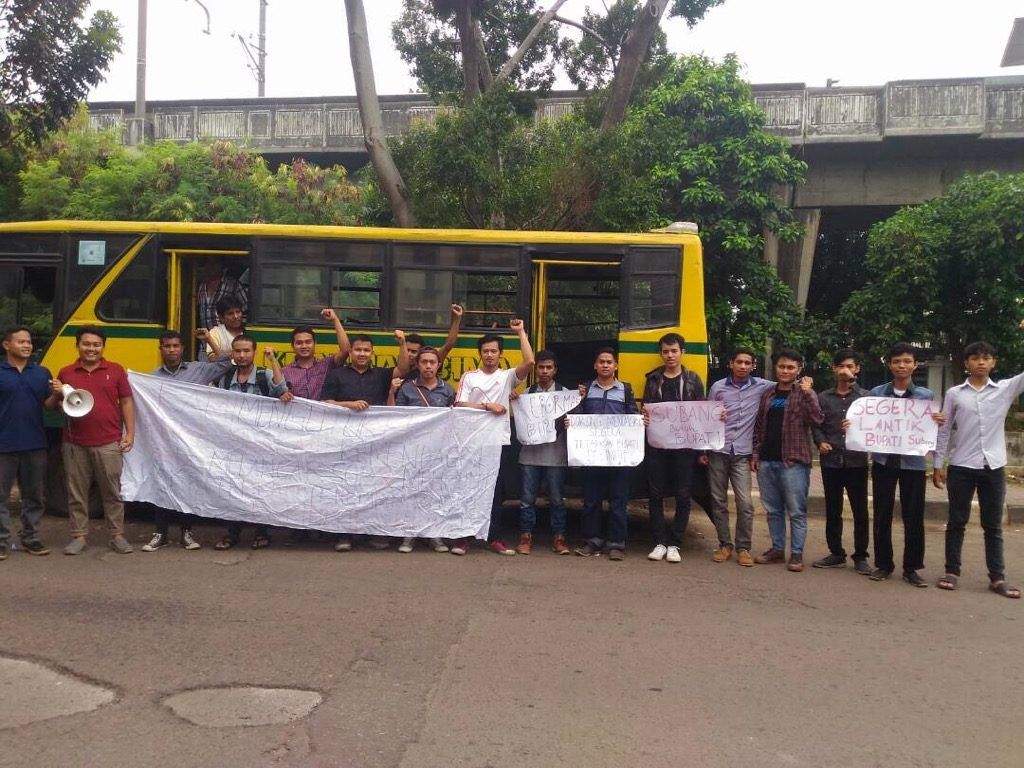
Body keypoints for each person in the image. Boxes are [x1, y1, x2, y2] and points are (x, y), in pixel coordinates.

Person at [933, 338, 1024, 598]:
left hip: (993, 466)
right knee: (957, 521)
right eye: (975, 358)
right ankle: (952, 571)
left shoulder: (1005, 389)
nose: (981, 362)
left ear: (993, 363)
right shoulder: (954, 394)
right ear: (966, 363)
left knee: (992, 525)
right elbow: (944, 429)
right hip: (961, 465)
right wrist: (938, 464)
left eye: (986, 358)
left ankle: (997, 578)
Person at [140, 328, 234, 552]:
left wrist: (209, 339)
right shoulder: (152, 379)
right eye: (167, 346)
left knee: (188, 485)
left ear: (182, 348)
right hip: (163, 440)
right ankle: (160, 533)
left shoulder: (198, 370)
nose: (171, 350)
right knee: (162, 485)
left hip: (192, 439)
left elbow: (225, 362)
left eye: (175, 346)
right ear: (160, 349)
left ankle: (186, 532)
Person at [321, 330, 411, 551]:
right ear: (350, 351)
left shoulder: (381, 375)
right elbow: (325, 403)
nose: (362, 354)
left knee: (375, 485)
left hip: (376, 441)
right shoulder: (336, 375)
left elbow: (404, 369)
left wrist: (402, 343)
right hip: (344, 438)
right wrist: (348, 405)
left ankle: (375, 532)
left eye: (366, 350)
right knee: (345, 486)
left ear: (372, 353)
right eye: (358, 349)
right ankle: (344, 535)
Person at [452, 319, 535, 556]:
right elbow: (459, 404)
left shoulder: (507, 376)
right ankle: (463, 538)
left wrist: (521, 331)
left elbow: (529, 361)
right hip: (471, 441)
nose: (489, 355)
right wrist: (488, 406)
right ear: (480, 354)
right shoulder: (470, 377)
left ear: (500, 354)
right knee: (469, 489)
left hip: (498, 441)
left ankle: (493, 538)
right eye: (485, 351)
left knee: (496, 491)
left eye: (494, 351)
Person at [54, 326, 135, 555]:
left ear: (103, 346)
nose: (91, 348)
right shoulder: (66, 373)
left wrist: (129, 434)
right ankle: (78, 536)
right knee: (76, 492)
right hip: (74, 442)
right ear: (77, 345)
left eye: (96, 344)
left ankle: (117, 535)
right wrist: (58, 395)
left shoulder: (116, 370)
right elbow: (57, 405)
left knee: (112, 491)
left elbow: (127, 402)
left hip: (109, 442)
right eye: (86, 344)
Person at [866, 342, 938, 588]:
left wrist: (936, 421)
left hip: (914, 465)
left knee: (914, 516)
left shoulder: (925, 396)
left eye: (907, 361)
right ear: (889, 364)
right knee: (882, 513)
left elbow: (930, 427)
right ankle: (884, 564)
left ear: (914, 365)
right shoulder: (877, 394)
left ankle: (912, 568)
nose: (902, 365)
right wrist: (853, 426)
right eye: (897, 361)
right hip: (883, 462)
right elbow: (868, 422)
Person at [214, 336, 291, 550]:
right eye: (237, 351)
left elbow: (282, 389)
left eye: (246, 351)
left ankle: (261, 531)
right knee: (231, 487)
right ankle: (232, 532)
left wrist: (273, 359)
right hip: (233, 444)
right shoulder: (226, 377)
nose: (242, 355)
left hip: (260, 445)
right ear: (233, 353)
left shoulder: (263, 375)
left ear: (254, 352)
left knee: (259, 488)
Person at [751, 348, 823, 573]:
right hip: (767, 460)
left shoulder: (804, 393)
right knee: (772, 509)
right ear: (776, 368)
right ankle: (777, 549)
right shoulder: (768, 394)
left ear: (799, 370)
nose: (785, 370)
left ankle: (797, 554)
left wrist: (809, 392)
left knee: (796, 511)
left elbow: (817, 419)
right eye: (782, 366)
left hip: (793, 461)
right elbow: (759, 426)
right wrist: (755, 455)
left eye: (791, 367)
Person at [572, 348, 645, 561]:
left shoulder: (625, 390)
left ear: (616, 366)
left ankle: (616, 544)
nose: (605, 365)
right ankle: (591, 541)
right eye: (601, 361)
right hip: (592, 456)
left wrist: (641, 421)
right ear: (595, 365)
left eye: (609, 362)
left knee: (618, 501)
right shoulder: (585, 390)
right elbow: (578, 416)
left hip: (619, 456)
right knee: (591, 501)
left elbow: (632, 417)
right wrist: (572, 420)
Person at [706, 348, 775, 567]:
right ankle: (725, 544)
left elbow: (787, 383)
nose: (743, 366)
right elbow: (705, 417)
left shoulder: (763, 386)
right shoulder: (718, 387)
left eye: (748, 363)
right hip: (718, 451)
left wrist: (806, 382)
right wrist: (715, 417)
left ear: (753, 366)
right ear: (731, 363)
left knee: (745, 503)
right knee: (718, 501)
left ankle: (743, 547)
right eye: (739, 362)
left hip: (742, 454)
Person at [642, 332, 705, 564]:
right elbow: (646, 408)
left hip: (685, 448)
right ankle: (659, 542)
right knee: (655, 494)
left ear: (682, 352)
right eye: (665, 351)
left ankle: (675, 543)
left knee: (683, 494)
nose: (670, 355)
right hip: (657, 446)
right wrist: (645, 418)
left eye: (674, 351)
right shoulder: (652, 379)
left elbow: (701, 412)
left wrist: (702, 449)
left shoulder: (693, 379)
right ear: (661, 354)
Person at [0, 327, 61, 559]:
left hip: (35, 443)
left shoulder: (41, 372)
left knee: (34, 496)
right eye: (21, 342)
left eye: (29, 342)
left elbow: (48, 406)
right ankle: (1, 540)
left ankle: (31, 537)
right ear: (7, 345)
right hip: (3, 444)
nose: (27, 345)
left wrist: (56, 394)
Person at [388, 345, 455, 554]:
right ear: (417, 365)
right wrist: (391, 391)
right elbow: (394, 416)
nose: (428, 366)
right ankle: (409, 534)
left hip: (439, 450)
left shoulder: (448, 390)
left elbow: (455, 419)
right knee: (412, 491)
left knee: (435, 492)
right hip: (413, 449)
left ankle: (434, 534)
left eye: (432, 362)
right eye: (424, 362)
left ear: (439, 365)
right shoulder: (407, 388)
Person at [810, 349, 872, 573]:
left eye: (850, 366)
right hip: (831, 461)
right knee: (832, 509)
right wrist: (820, 441)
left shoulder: (866, 398)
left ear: (857, 369)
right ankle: (836, 552)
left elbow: (874, 425)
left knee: (860, 511)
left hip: (856, 461)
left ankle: (861, 555)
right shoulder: (823, 397)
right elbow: (816, 423)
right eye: (841, 366)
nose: (845, 370)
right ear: (834, 369)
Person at [515, 349, 571, 556]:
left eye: (549, 367)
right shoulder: (526, 394)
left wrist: (570, 421)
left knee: (557, 498)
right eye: (541, 367)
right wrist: (514, 399)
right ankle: (525, 536)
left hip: (556, 455)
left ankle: (559, 537)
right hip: (530, 455)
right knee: (527, 499)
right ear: (535, 369)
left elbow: (575, 421)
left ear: (555, 370)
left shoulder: (566, 395)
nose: (545, 371)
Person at [281, 308, 352, 400]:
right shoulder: (284, 372)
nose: (304, 346)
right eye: (299, 343)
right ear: (293, 346)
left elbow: (346, 350)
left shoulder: (327, 365)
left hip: (322, 414)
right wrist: (282, 396)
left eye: (308, 342)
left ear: (315, 344)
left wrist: (335, 319)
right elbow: (277, 395)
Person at [402, 304, 463, 379]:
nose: (409, 354)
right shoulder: (397, 370)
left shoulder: (428, 367)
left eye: (413, 352)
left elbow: (448, 345)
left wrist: (457, 319)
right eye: (407, 350)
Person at [197, 259, 248, 331]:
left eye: (214, 264)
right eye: (207, 264)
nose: (210, 267)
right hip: (206, 337)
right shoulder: (201, 286)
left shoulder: (233, 284)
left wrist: (237, 329)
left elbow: (246, 309)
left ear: (221, 266)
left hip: (227, 337)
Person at [205, 297, 246, 361]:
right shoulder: (215, 333)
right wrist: (233, 355)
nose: (236, 316)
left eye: (238, 312)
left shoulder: (249, 330)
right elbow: (212, 359)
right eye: (230, 313)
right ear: (221, 317)